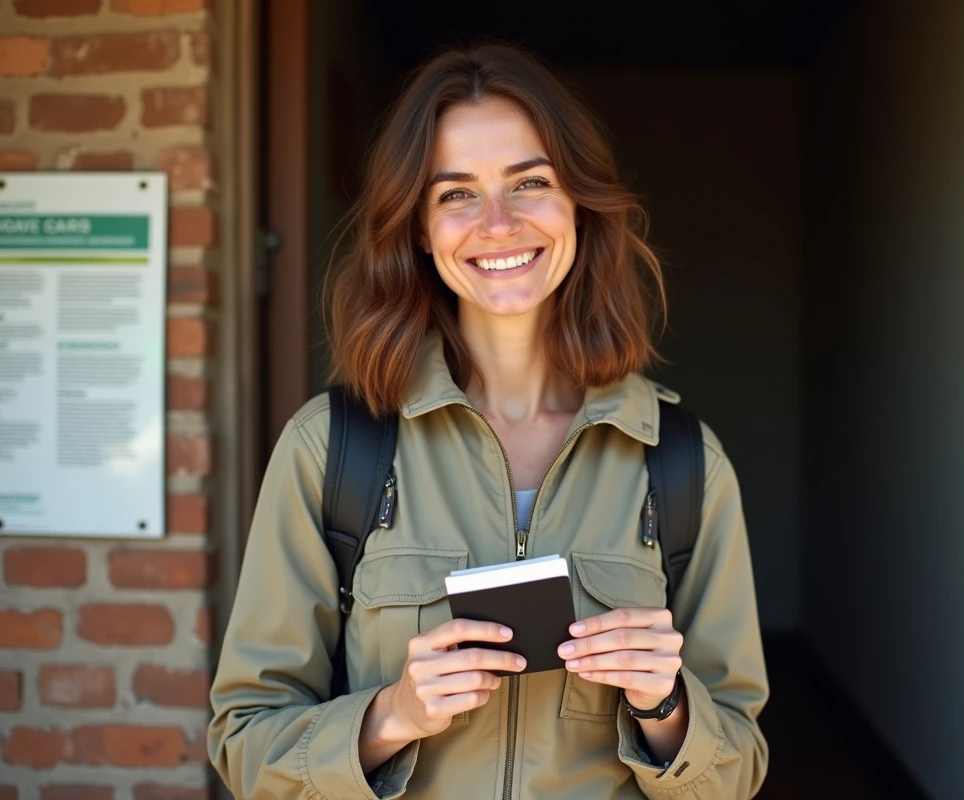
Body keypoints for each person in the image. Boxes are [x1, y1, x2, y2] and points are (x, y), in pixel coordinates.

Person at [207, 43, 768, 799]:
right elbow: (245, 744)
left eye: (530, 183)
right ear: (416, 227)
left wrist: (664, 706)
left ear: (579, 204)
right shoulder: (332, 448)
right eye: (456, 194)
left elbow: (739, 770)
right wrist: (391, 717)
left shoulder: (680, 461)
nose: (498, 224)